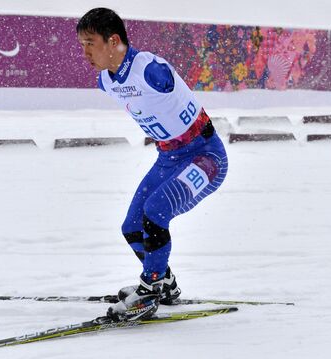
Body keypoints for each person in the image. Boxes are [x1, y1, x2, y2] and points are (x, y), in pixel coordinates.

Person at [76, 8, 229, 321]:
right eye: (82, 44)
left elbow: (164, 79)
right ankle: (166, 282)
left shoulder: (149, 69)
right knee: (131, 227)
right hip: (168, 158)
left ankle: (150, 289)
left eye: (90, 43)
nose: (85, 52)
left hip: (205, 156)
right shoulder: (106, 80)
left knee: (157, 210)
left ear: (113, 40)